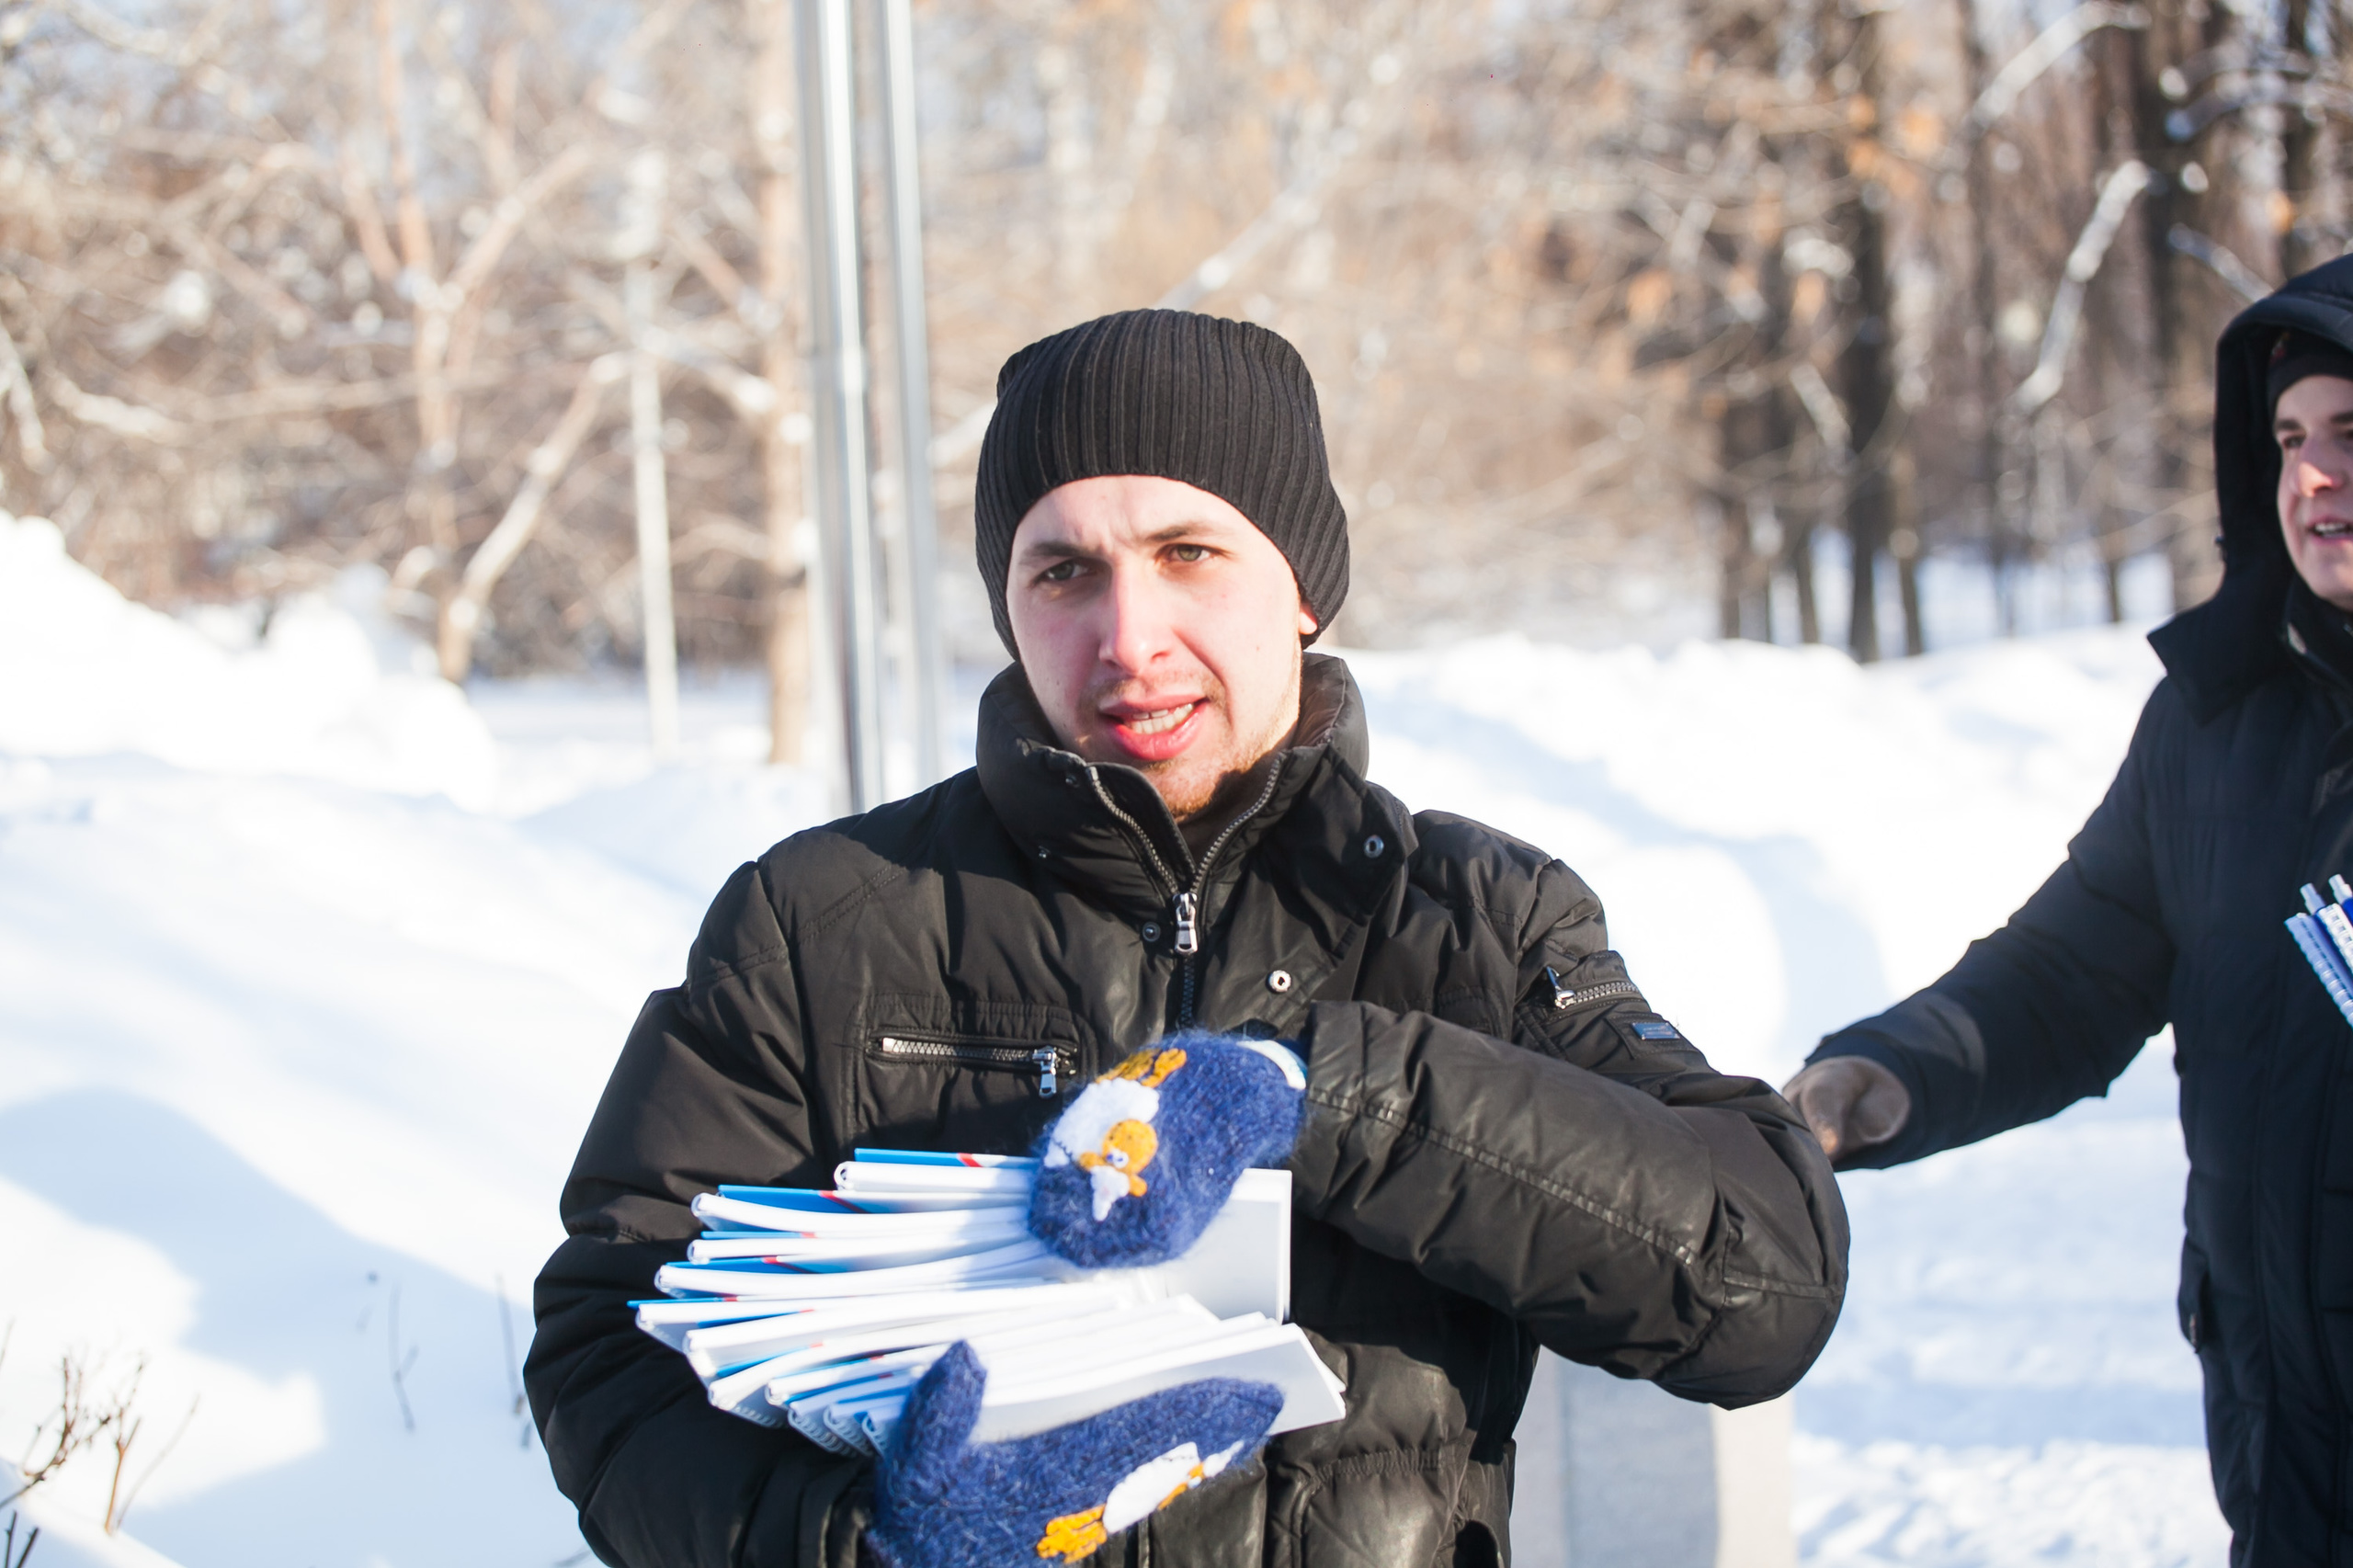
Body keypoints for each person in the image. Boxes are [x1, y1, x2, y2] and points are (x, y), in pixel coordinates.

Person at [527, 308, 1847, 1568]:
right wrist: (853, 1542)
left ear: (1304, 589)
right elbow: (610, 1339)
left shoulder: (1476, 922)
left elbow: (1764, 1282)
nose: (1128, 639)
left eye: (1187, 553)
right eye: (1063, 571)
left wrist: (1324, 1098)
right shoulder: (824, 925)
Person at [1785, 256, 2353, 1567]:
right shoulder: (2215, 724)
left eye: (2349, 436)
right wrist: (1883, 1074)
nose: (2313, 478)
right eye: (2288, 440)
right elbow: (2070, 970)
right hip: (2285, 1476)